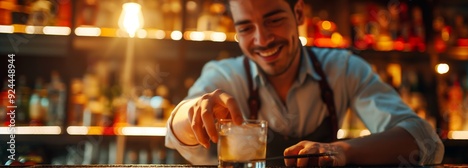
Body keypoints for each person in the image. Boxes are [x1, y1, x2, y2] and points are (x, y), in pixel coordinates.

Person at [165, 0, 444, 166]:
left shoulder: (343, 68)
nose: (262, 40)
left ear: (299, 14)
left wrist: (341, 150)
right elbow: (176, 128)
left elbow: (423, 139)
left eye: (274, 20)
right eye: (246, 28)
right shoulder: (225, 74)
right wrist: (192, 113)